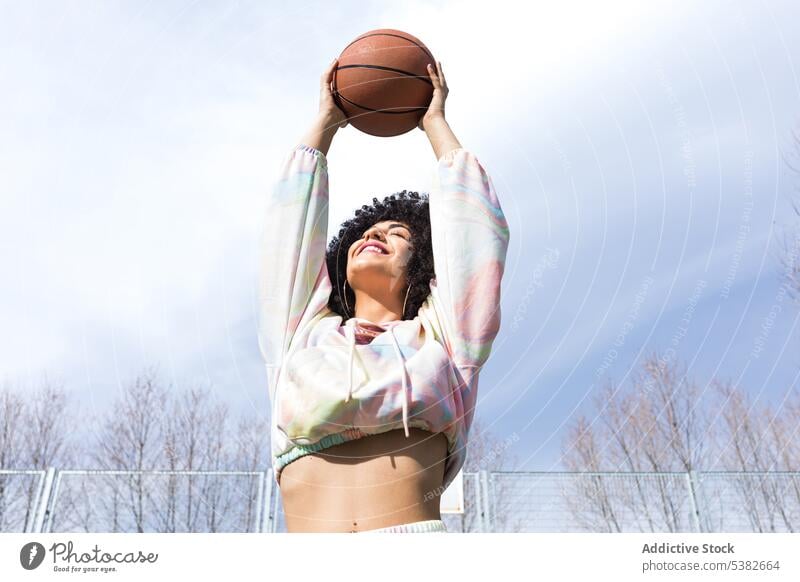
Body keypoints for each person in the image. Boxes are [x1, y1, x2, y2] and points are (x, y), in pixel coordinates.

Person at [258, 58, 510, 533]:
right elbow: (286, 234)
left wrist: (434, 123)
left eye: (398, 233)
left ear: (421, 267)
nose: (378, 233)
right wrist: (326, 123)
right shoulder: (303, 335)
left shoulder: (446, 341)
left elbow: (475, 239)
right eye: (369, 230)